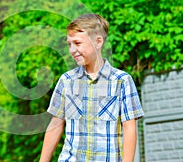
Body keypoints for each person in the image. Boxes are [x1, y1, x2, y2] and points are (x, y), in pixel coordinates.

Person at [39, 14, 144, 162]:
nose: (72, 50)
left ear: (98, 42)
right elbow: (56, 124)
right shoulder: (67, 81)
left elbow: (129, 128)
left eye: (77, 43)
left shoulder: (121, 81)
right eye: (69, 44)